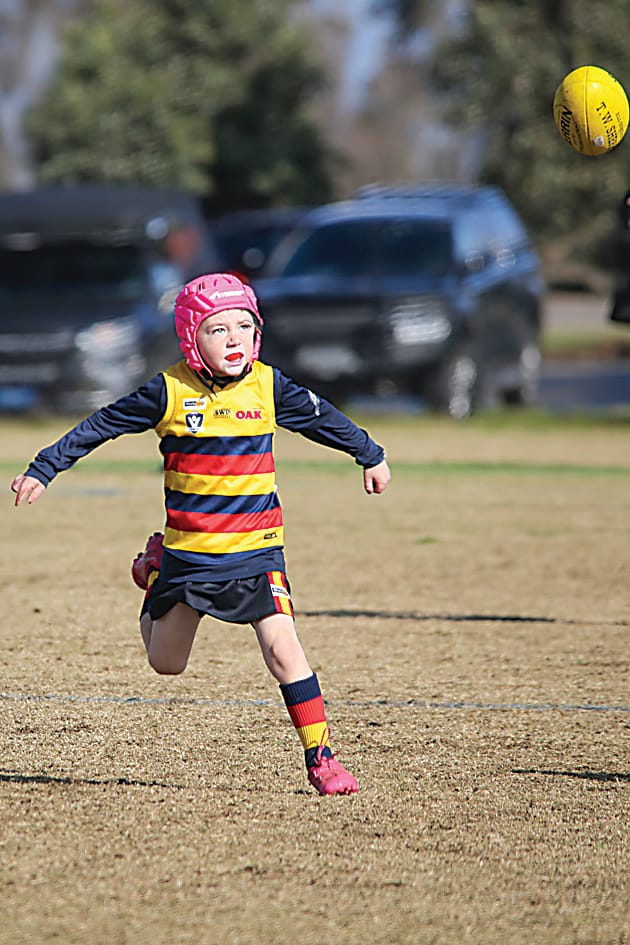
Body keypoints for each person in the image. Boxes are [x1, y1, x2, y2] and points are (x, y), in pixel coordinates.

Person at [11, 272, 391, 796]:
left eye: (244, 326)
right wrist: (45, 467)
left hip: (257, 551)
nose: (235, 339)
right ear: (192, 337)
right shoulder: (167, 392)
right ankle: (156, 572)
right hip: (191, 556)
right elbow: (101, 425)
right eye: (218, 329)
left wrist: (369, 454)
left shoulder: (267, 385)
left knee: (283, 648)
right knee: (166, 663)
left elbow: (323, 419)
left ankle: (321, 758)